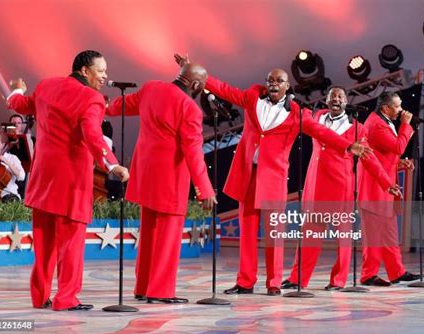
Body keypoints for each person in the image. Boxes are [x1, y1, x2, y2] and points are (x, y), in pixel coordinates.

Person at [175, 54, 371, 296]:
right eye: (270, 80)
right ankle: (245, 281)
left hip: (273, 179)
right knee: (247, 231)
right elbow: (224, 89)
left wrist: (346, 145)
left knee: (274, 235)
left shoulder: (297, 113)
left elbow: (320, 131)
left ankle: (274, 282)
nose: (274, 84)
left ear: (287, 86)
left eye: (279, 81)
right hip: (247, 175)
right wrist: (193, 70)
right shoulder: (251, 98)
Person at [7, 50, 129, 311]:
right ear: (84, 70)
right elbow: (94, 136)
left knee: (44, 245)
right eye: (101, 70)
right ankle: (66, 299)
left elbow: (18, 105)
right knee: (71, 244)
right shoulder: (92, 99)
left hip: (42, 180)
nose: (105, 76)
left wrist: (16, 90)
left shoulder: (46, 86)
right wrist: (112, 163)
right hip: (71, 182)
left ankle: (40, 298)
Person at [106, 63, 216, 304]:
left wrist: (101, 106)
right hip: (170, 177)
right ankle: (160, 291)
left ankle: (143, 287)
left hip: (145, 173)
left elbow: (120, 107)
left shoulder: (151, 88)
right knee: (168, 237)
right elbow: (193, 153)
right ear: (195, 85)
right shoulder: (190, 108)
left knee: (149, 234)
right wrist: (205, 188)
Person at [281, 86, 401, 291]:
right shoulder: (316, 116)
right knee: (310, 235)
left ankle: (338, 280)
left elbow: (369, 158)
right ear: (326, 100)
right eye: (332, 96)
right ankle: (297, 278)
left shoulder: (357, 128)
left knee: (343, 239)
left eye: (340, 96)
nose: (336, 99)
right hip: (316, 184)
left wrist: (386, 183)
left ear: (346, 101)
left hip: (341, 185)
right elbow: (294, 113)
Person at [359, 91, 420, 286]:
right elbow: (397, 147)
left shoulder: (382, 121)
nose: (401, 110)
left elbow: (386, 155)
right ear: (386, 108)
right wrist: (406, 125)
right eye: (398, 106)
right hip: (374, 187)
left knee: (389, 233)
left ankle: (397, 272)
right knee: (375, 235)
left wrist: (401, 164)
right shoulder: (376, 124)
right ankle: (368, 275)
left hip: (384, 187)